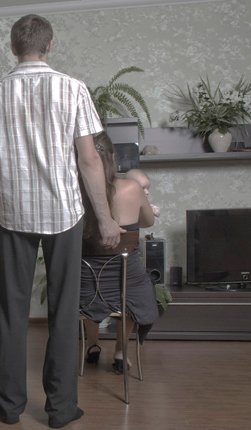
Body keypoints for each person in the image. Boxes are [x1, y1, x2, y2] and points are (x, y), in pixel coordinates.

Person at [0, 14, 121, 428]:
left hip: (14, 214)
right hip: (64, 213)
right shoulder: (73, 88)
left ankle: (9, 407)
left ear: (13, 47)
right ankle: (61, 410)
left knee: (11, 312)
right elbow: (89, 160)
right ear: (49, 46)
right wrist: (105, 217)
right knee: (64, 312)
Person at [79, 132, 158, 373]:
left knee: (90, 285)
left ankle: (92, 344)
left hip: (85, 283)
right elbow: (148, 222)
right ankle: (121, 350)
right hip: (126, 280)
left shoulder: (74, 192)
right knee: (136, 289)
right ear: (113, 157)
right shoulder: (132, 187)